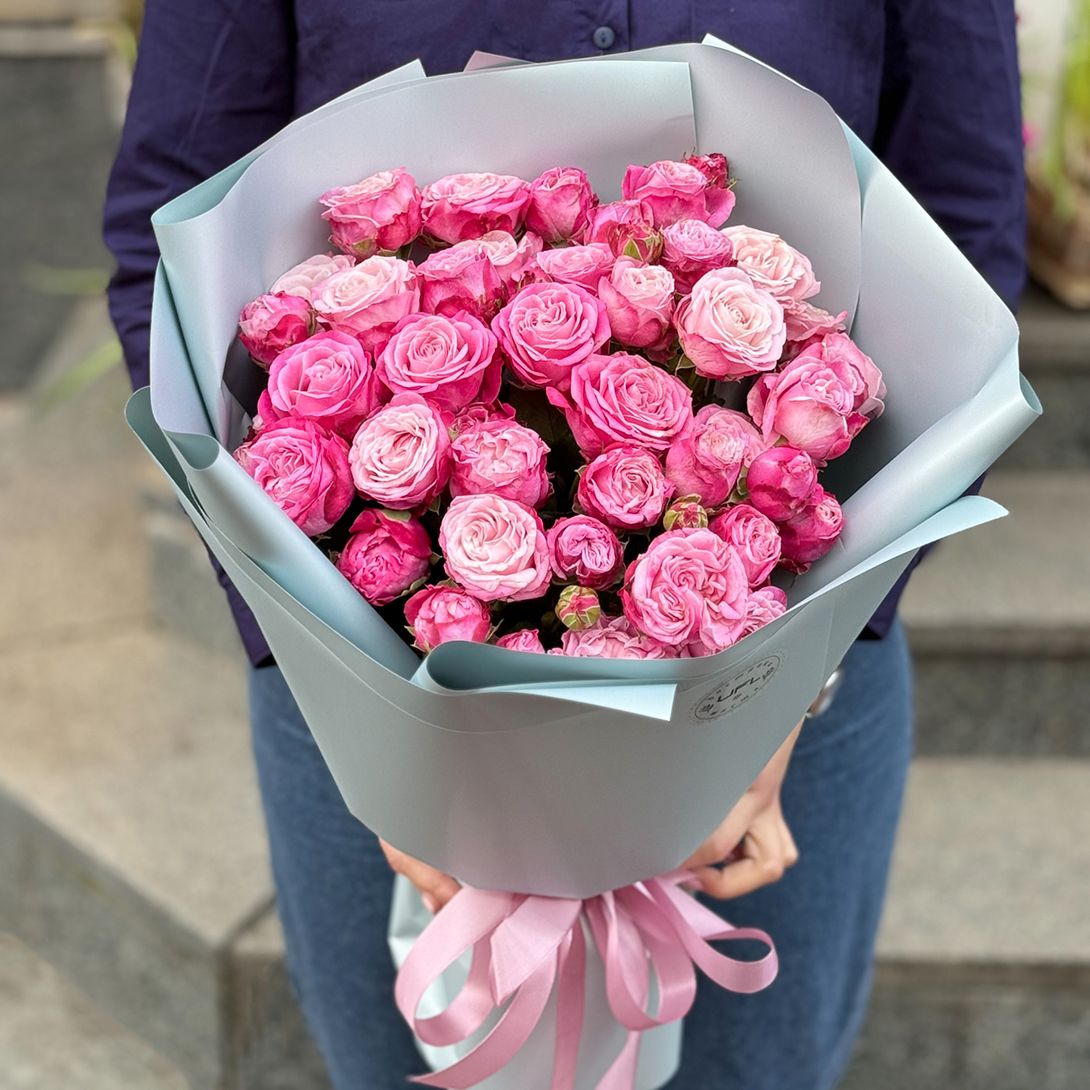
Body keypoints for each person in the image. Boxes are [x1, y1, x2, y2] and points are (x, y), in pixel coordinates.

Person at [104, 4, 1025, 1088]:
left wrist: (779, 695)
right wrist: (369, 719)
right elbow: (167, 222)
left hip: (789, 712)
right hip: (356, 703)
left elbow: (962, 233)